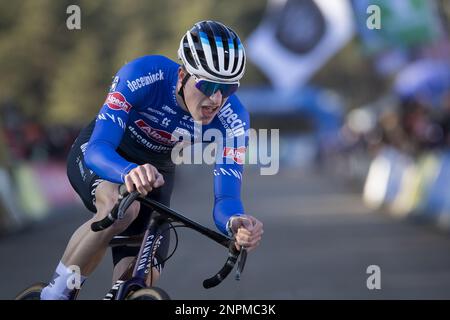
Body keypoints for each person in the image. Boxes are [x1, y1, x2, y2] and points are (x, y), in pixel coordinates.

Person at [39, 20, 264, 300]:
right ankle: (55, 295)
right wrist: (127, 172)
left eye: (228, 88)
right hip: (107, 156)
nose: (216, 99)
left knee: (143, 275)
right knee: (121, 209)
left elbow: (226, 198)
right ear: (182, 75)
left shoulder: (234, 120)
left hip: (156, 171)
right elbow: (98, 148)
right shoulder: (144, 74)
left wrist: (235, 222)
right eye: (208, 84)